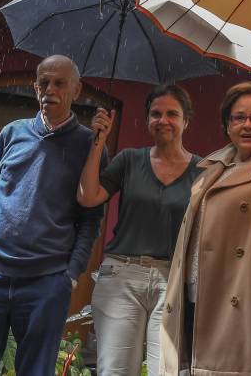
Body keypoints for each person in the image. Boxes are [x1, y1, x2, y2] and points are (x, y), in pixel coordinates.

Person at [0, 55, 104, 376]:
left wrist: (71, 274)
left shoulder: (89, 146)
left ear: (76, 91)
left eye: (60, 83)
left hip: (46, 282)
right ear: (35, 87)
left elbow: (90, 219)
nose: (49, 89)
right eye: (43, 82)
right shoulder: (12, 133)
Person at [159, 82, 251, 376]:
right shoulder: (213, 167)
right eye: (238, 117)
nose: (248, 125)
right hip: (192, 301)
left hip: (244, 307)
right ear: (226, 124)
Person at [76, 85, 202, 376]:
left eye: (173, 114)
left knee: (166, 371)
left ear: (186, 121)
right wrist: (98, 143)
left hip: (172, 280)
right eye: (156, 114)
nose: (163, 120)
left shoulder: (203, 170)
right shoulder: (128, 160)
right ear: (147, 120)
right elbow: (88, 196)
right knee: (116, 371)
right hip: (122, 276)